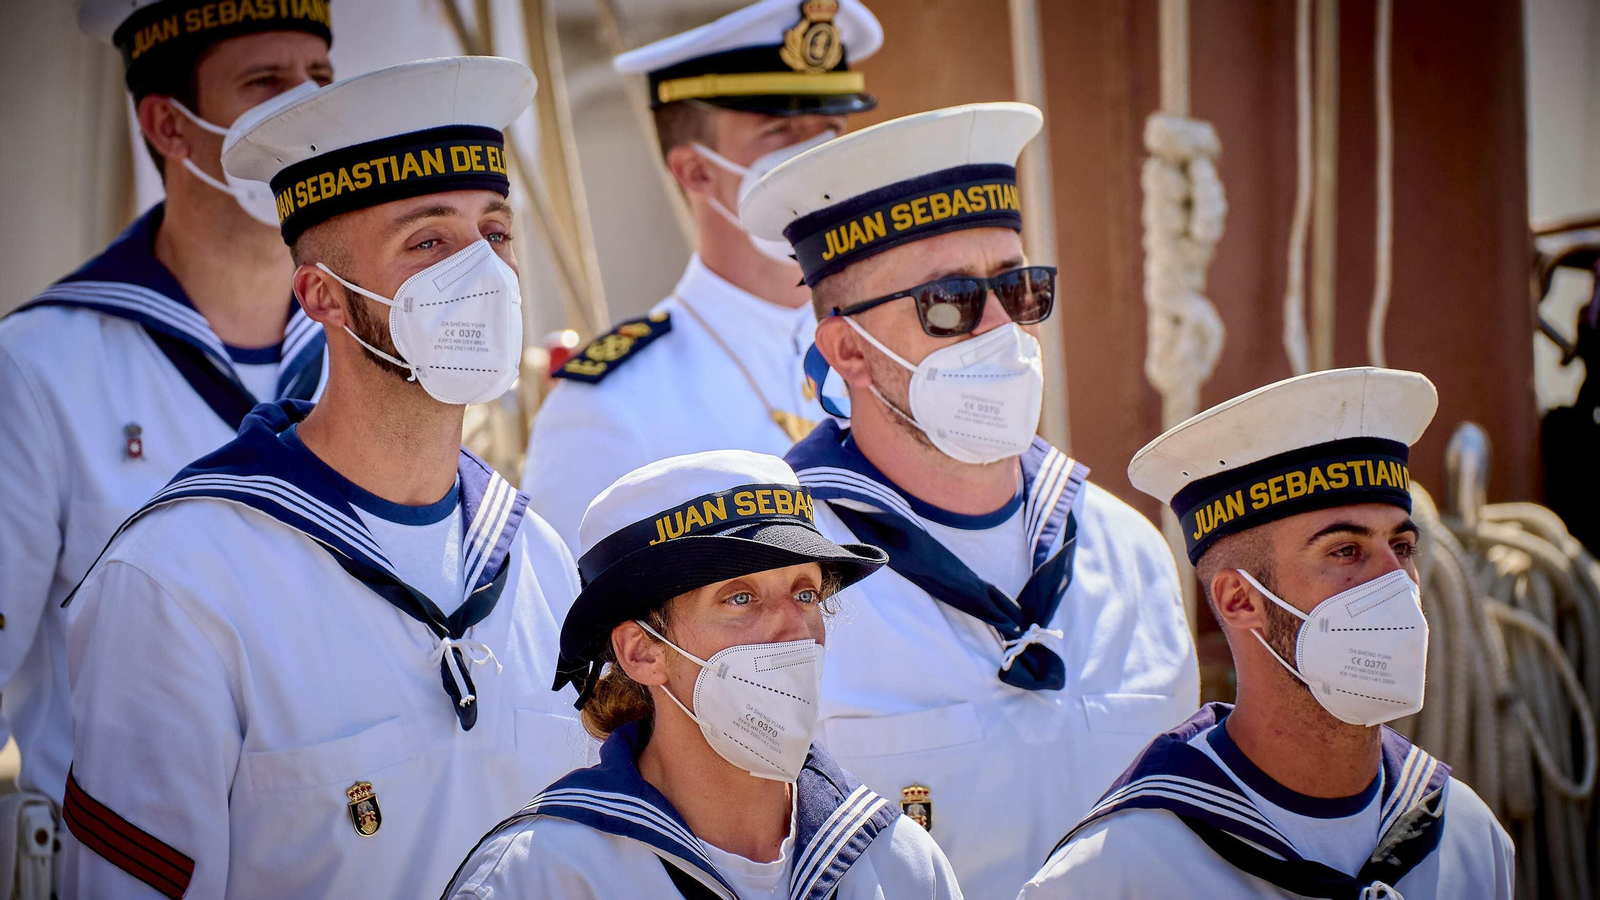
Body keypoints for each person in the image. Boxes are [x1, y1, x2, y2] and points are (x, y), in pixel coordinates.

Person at [61, 57, 593, 899]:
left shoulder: (538, 560)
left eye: (494, 233)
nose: (482, 274)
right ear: (324, 298)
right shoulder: (179, 582)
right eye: (428, 242)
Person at [740, 102, 1200, 896]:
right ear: (848, 349)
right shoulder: (773, 583)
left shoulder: (1133, 556)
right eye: (949, 302)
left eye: (1019, 290)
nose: (1000, 330)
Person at [0, 0, 334, 886]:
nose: (306, 109)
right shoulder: (40, 366)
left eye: (320, 80)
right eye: (265, 83)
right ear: (168, 125)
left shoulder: (375, 352)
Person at [1021, 367, 1516, 899]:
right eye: (1345, 551)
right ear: (1240, 600)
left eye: (1401, 547)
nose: (1396, 585)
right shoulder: (1120, 872)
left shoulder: (1469, 838)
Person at [445, 450, 965, 899]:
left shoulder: (901, 866)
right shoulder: (539, 880)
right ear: (642, 651)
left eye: (805, 593)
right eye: (740, 598)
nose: (794, 631)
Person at [522, 0, 884, 552]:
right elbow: (567, 625)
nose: (818, 160)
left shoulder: (895, 351)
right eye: (781, 132)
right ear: (695, 170)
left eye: (831, 129)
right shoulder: (610, 407)